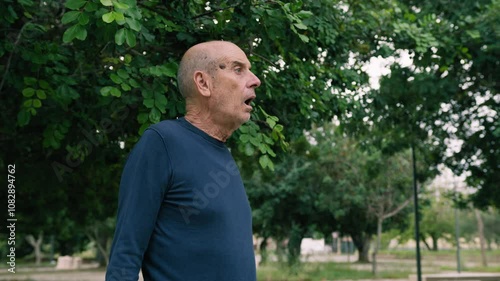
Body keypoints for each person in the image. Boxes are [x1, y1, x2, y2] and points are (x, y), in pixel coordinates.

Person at [105, 41, 261, 281]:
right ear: (203, 83)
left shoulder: (224, 155)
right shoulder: (162, 143)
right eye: (238, 69)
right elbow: (125, 257)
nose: (255, 80)